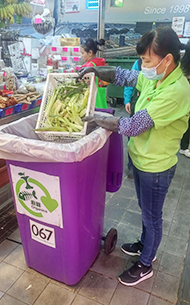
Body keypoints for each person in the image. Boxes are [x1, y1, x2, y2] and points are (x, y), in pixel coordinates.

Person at [78, 26, 190, 286]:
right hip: (141, 158)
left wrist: (97, 117)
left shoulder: (177, 92)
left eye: (147, 60)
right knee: (145, 209)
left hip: (156, 167)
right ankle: (144, 243)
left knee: (152, 216)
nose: (143, 66)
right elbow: (125, 75)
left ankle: (146, 263)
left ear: (168, 59)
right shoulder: (157, 76)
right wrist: (96, 71)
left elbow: (132, 125)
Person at [123, 58, 142, 178]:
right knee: (133, 135)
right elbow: (130, 82)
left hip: (151, 107)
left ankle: (141, 166)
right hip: (137, 104)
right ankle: (131, 165)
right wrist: (127, 100)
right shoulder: (139, 63)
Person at [80, 38, 107, 109]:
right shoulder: (99, 63)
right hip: (100, 98)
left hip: (92, 100)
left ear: (90, 53)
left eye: (82, 53)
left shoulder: (89, 67)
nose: (81, 55)